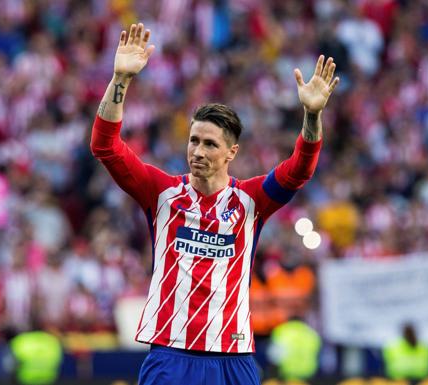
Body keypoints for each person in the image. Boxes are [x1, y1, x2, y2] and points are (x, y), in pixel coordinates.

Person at [91, 23, 339, 385]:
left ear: (231, 153)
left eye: (209, 144)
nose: (198, 151)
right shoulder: (161, 193)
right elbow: (106, 147)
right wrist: (120, 80)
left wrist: (312, 117)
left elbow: (299, 171)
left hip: (233, 357)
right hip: (171, 353)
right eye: (193, 141)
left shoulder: (251, 200)